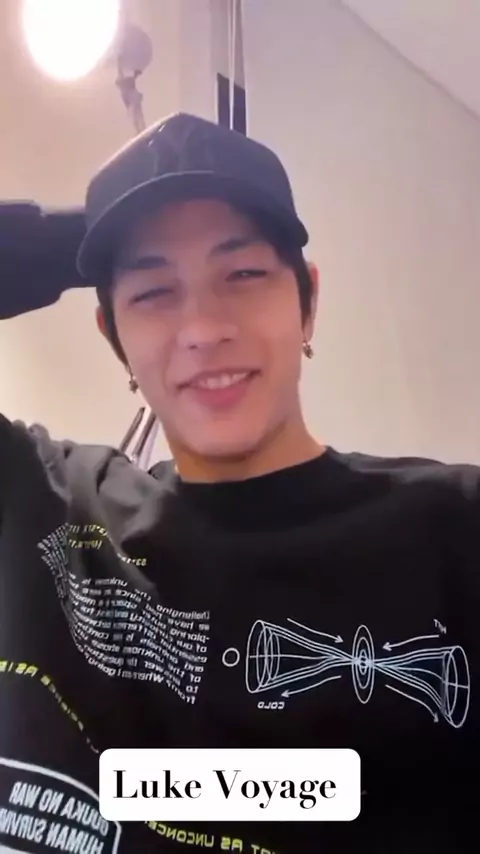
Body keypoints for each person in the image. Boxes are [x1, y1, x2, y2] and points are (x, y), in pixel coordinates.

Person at [0, 112, 478, 854]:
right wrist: (84, 237)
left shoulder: (455, 527)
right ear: (113, 335)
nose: (202, 328)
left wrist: (141, 249)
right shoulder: (43, 504)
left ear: (307, 300)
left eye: (244, 274)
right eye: (152, 292)